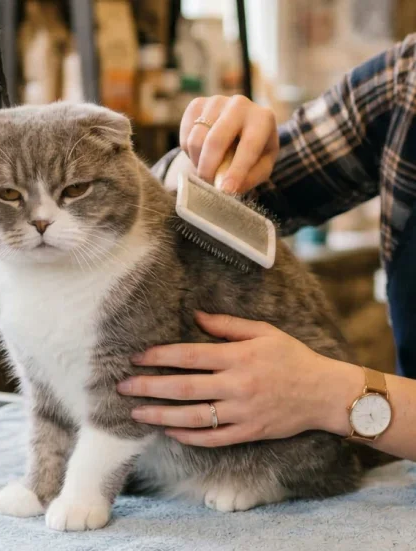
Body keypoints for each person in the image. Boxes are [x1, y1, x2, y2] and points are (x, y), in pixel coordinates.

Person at [117, 34, 416, 462]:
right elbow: (244, 195)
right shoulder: (403, 83)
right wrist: (205, 158)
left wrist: (329, 393)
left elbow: (329, 395)